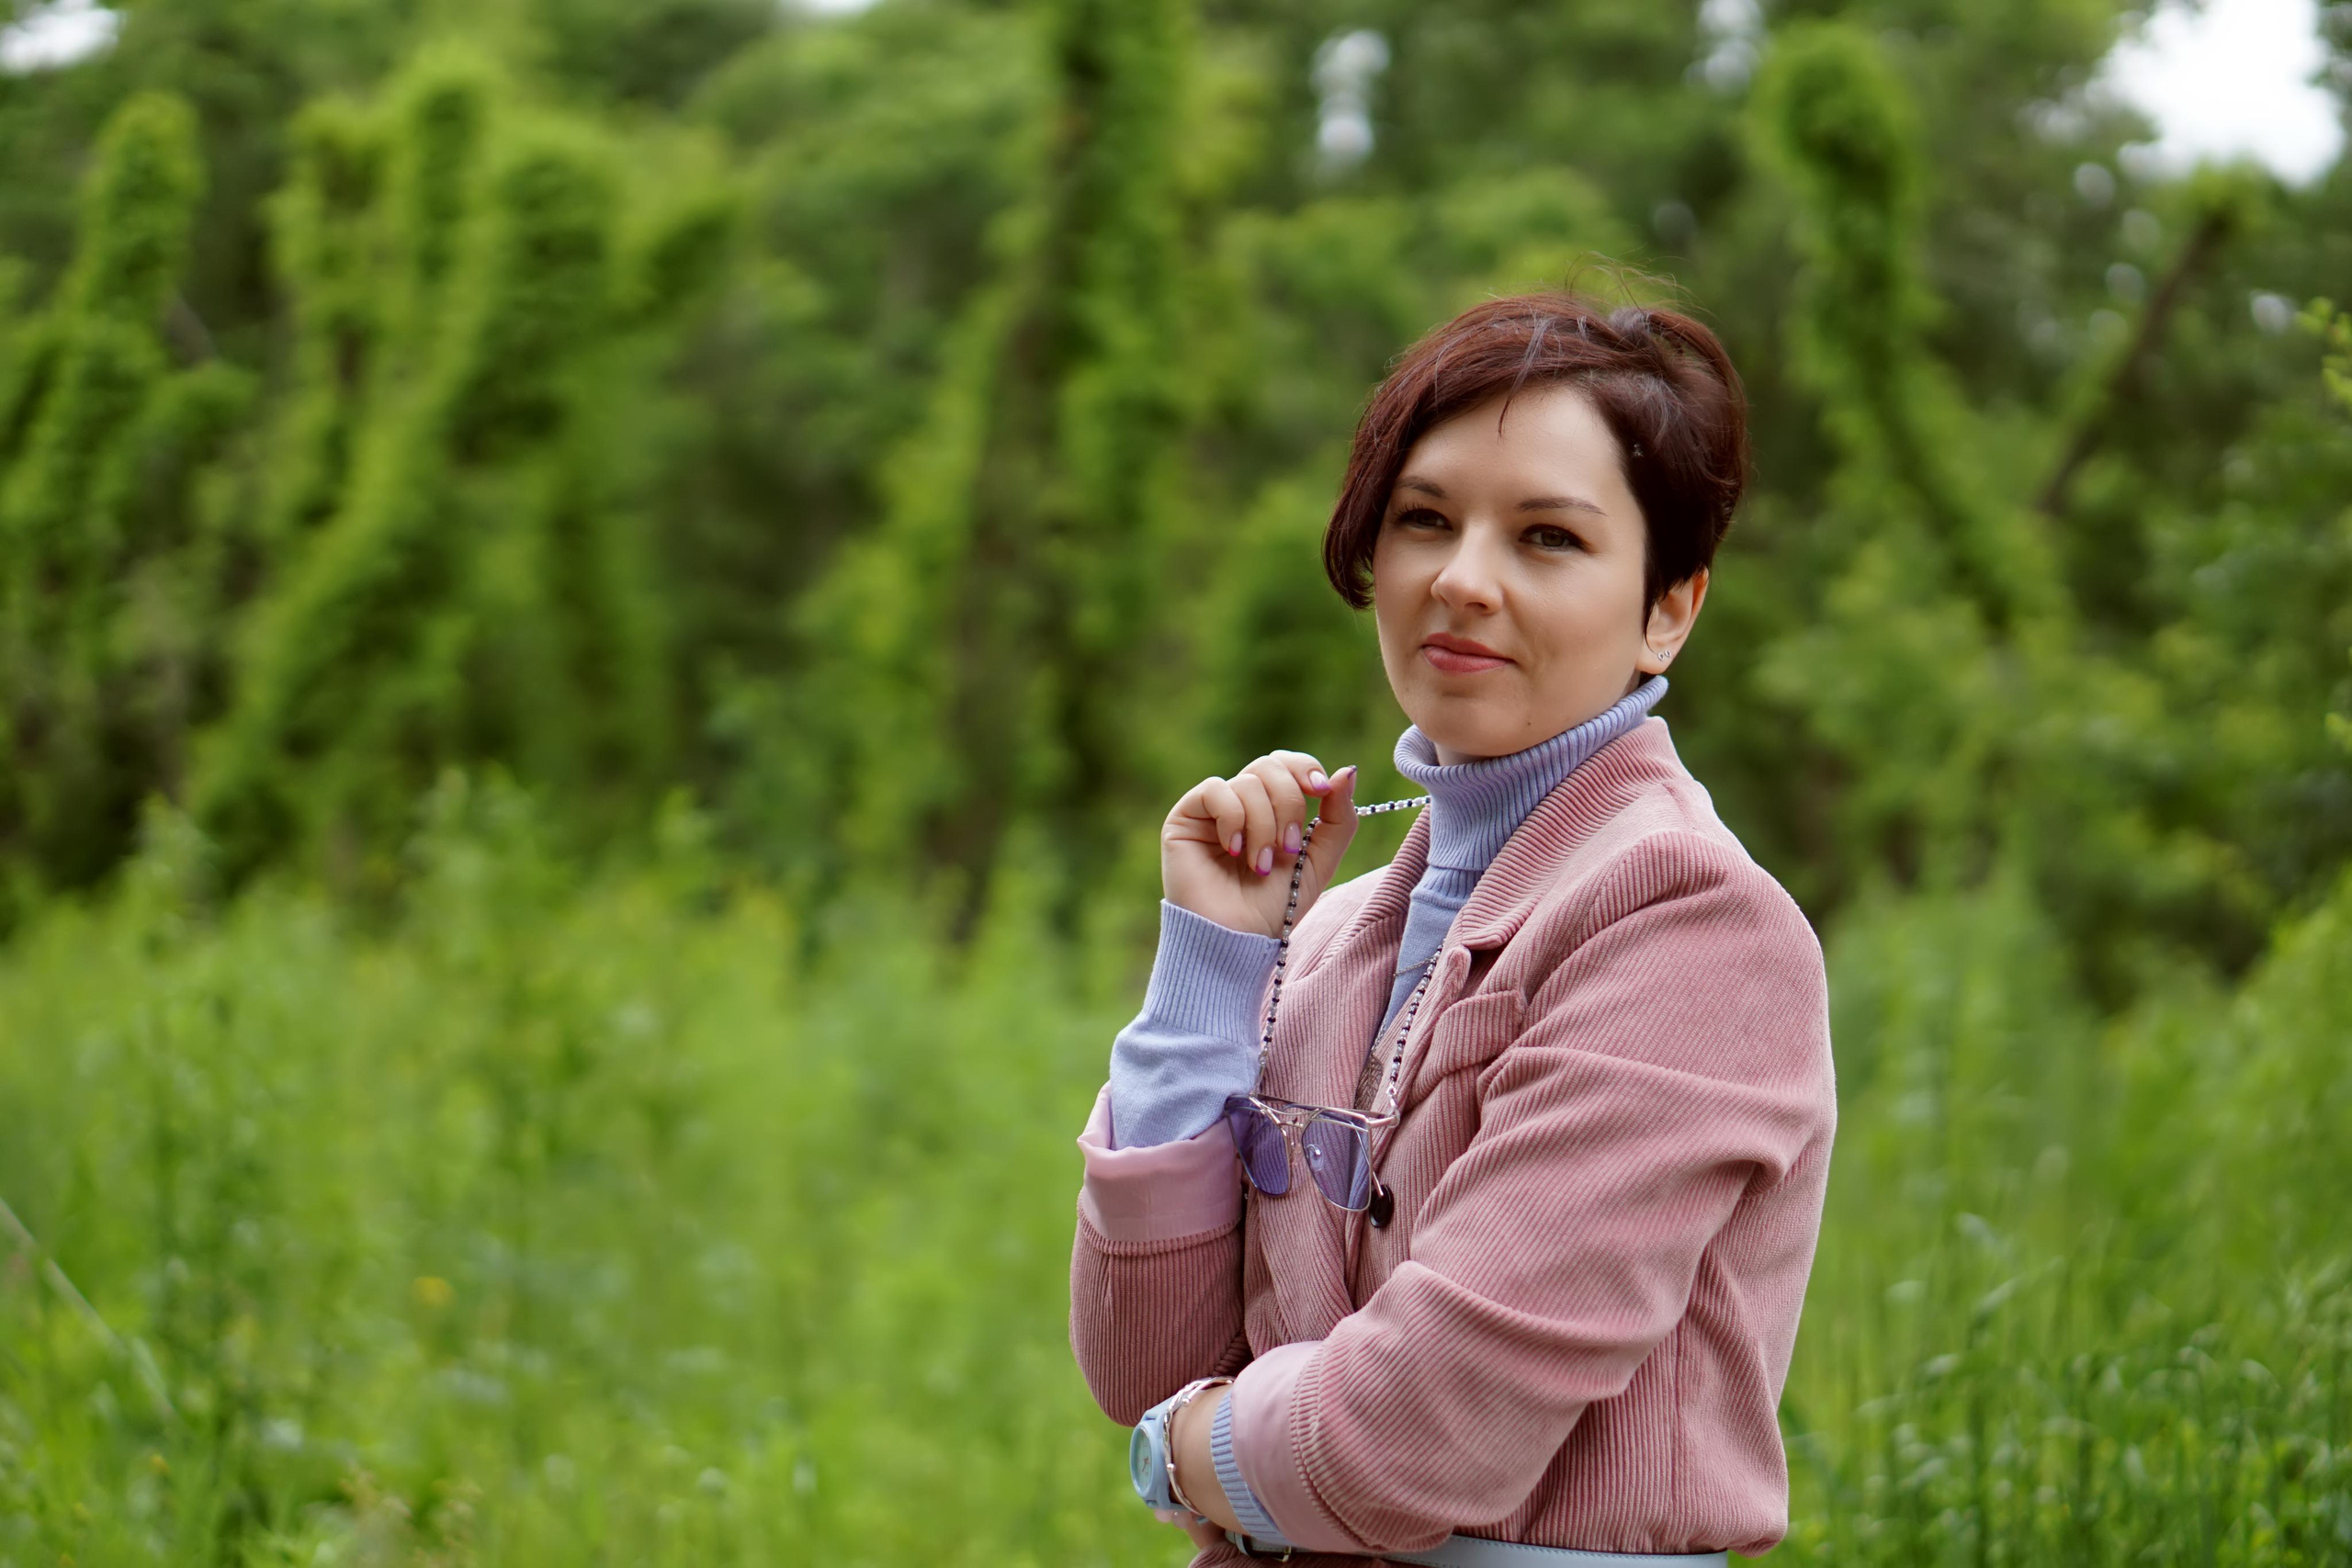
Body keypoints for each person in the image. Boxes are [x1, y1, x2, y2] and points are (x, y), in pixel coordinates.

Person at [1069, 290, 1837, 1567]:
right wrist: (1213, 969)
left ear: (1670, 608)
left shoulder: (1694, 926)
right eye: (1425, 520)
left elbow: (1416, 1436)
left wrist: (1178, 1457)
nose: (1460, 581)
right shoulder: (1339, 929)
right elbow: (1143, 1361)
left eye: (1546, 538)